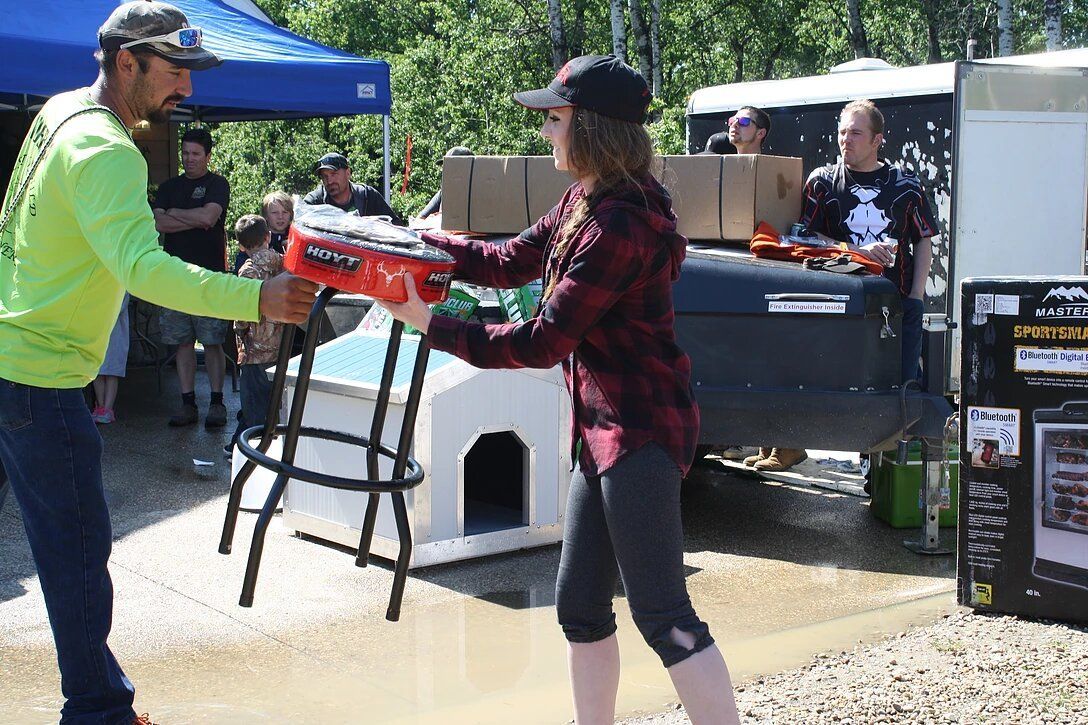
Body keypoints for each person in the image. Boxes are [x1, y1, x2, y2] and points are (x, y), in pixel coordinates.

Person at [381, 54, 740, 725]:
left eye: (554, 118)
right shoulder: (587, 199)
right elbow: (506, 258)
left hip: (640, 432)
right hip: (604, 432)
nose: (545, 132)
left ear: (594, 127)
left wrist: (432, 324)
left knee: (663, 613)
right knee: (579, 605)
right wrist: (415, 247)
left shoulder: (620, 224)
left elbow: (543, 341)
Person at [0, 3, 317, 721]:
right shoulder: (107, 149)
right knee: (77, 554)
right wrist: (257, 299)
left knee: (66, 547)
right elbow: (145, 267)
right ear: (127, 63)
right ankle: (100, 712)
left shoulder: (57, 114)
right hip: (40, 379)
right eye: (176, 72)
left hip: (15, 357)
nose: (187, 91)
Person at [799, 99, 936, 385]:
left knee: (905, 386)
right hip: (839, 305)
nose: (846, 140)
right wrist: (860, 251)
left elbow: (924, 238)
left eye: (855, 133)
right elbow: (805, 237)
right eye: (842, 132)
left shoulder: (906, 184)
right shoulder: (822, 182)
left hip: (897, 303)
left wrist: (916, 297)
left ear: (877, 140)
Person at [722, 106, 807, 472]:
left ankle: (788, 446)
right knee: (751, 362)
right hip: (739, 272)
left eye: (742, 122)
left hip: (768, 274)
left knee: (776, 362)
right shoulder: (725, 168)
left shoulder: (773, 172)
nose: (733, 127)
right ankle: (767, 443)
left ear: (760, 133)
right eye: (731, 121)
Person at [153, 125, 232, 428]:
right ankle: (187, 404)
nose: (189, 159)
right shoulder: (169, 187)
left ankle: (216, 402)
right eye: (185, 153)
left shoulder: (217, 184)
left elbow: (209, 217)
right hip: (174, 277)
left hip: (208, 276)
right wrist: (193, 218)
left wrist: (176, 214)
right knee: (182, 343)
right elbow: (159, 224)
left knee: (212, 341)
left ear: (208, 156)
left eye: (196, 154)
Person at [227, 215, 285, 458]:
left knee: (253, 409)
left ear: (240, 246)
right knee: (276, 405)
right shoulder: (283, 264)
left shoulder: (247, 271)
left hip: (253, 353)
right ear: (267, 236)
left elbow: (243, 316)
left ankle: (247, 453)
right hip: (281, 348)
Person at [302, 151, 406, 225]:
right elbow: (297, 226)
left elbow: (396, 226)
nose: (329, 181)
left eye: (334, 174)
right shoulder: (314, 201)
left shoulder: (367, 195)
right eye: (324, 176)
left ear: (348, 173)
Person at [91, 293, 132, 424]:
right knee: (97, 370)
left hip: (115, 333)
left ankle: (108, 408)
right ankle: (100, 406)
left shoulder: (121, 285)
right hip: (98, 331)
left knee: (111, 372)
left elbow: (120, 306)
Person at [234, 190, 292, 273]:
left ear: (291, 215)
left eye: (285, 212)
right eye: (275, 212)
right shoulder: (256, 234)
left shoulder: (296, 238)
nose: (280, 216)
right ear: (266, 216)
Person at [417, 145, 474, 219]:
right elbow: (420, 219)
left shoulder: (482, 192)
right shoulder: (444, 192)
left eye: (452, 166)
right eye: (446, 166)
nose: (446, 170)